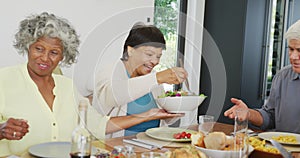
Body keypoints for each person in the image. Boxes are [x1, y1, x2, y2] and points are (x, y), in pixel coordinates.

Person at [0, 12, 182, 156]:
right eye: (39, 49)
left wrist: (149, 115)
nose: (45, 58)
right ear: (28, 46)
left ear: (63, 56)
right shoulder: (4, 80)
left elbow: (99, 125)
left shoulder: (67, 86)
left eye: (54, 52)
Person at [87, 22, 188, 137]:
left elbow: (164, 119)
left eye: (158, 56)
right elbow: (113, 97)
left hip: (153, 144)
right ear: (130, 50)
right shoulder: (110, 72)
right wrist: (157, 78)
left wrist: (176, 107)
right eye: (149, 54)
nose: (155, 61)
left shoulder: (154, 77)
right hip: (118, 146)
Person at [224, 20, 300, 133]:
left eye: (299, 50)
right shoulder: (282, 77)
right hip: (281, 149)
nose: (293, 56)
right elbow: (270, 117)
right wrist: (248, 113)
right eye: (291, 49)